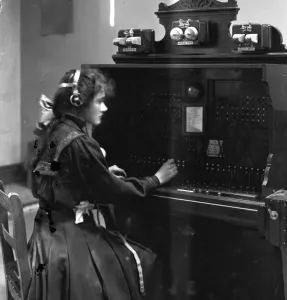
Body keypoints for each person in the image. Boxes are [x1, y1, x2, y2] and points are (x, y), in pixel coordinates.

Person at [27, 68, 178, 300]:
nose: (105, 108)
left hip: (44, 238)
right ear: (79, 102)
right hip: (69, 245)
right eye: (99, 101)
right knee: (146, 260)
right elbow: (113, 191)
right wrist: (154, 180)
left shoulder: (54, 130)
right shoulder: (82, 143)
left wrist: (100, 171)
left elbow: (51, 176)